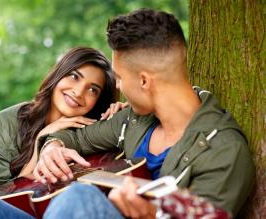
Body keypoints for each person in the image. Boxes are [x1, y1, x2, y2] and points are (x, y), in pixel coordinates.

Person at [35, 8, 255, 218]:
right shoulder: (132, 119)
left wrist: (151, 215)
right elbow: (76, 137)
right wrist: (52, 147)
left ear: (143, 81)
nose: (118, 87)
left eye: (119, 77)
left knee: (80, 197)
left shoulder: (225, 150)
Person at [0, 47, 121, 193]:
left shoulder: (91, 132)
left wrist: (119, 114)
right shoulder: (7, 122)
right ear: (58, 74)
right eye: (74, 77)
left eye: (93, 90)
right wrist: (42, 138)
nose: (78, 92)